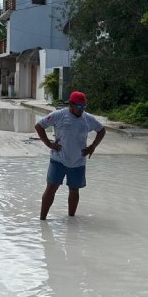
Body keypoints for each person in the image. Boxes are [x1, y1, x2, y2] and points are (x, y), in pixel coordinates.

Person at [34, 91, 105, 220]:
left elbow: (101, 130)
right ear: (71, 105)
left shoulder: (88, 118)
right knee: (51, 189)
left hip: (78, 161)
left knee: (74, 190)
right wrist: (49, 144)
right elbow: (39, 126)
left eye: (84, 107)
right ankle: (42, 220)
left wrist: (93, 146)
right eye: (78, 106)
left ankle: (71, 220)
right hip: (58, 159)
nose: (81, 110)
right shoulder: (59, 115)